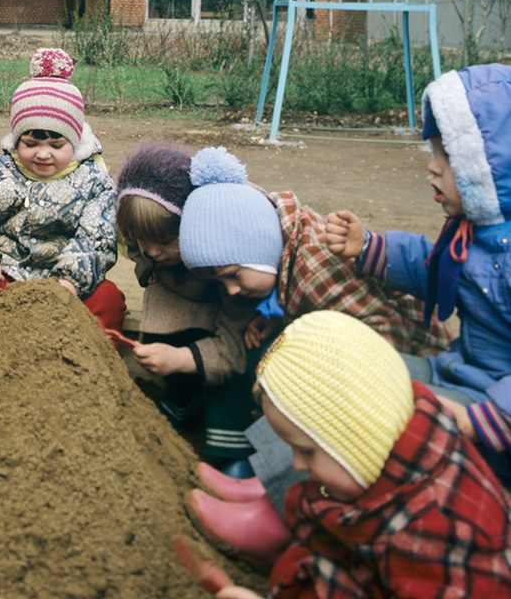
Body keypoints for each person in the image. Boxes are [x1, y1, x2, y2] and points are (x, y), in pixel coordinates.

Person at [177, 144, 451, 560]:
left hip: (407, 359)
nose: (232, 291)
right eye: (221, 283)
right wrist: (278, 320)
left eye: (232, 275)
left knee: (313, 396)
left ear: (258, 244)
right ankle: (265, 483)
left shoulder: (314, 267)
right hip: (375, 345)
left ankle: (277, 503)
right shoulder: (290, 249)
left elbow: (371, 338)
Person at [190, 311, 511, 599]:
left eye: (307, 451)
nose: (297, 464)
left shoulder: (433, 541)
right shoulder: (397, 468)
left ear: (360, 441)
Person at [325, 64, 511, 487]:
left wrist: (487, 418)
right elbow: (436, 267)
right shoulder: (475, 233)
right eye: (434, 153)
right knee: (346, 375)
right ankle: (265, 475)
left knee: (374, 416)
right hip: (458, 373)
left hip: (488, 415)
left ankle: (284, 505)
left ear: (491, 167)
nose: (432, 168)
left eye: (448, 156)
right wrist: (369, 246)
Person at [0, 48, 125, 333]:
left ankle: (88, 370)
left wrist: (69, 282)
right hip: (6, 270)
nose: (43, 154)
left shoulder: (95, 180)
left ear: (74, 140)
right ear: (16, 138)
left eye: (56, 146)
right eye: (31, 143)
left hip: (65, 279)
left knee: (108, 301)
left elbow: (97, 238)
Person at [115, 142, 258, 470]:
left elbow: (233, 346)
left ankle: (221, 449)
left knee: (223, 387)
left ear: (195, 224)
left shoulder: (231, 271)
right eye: (140, 238)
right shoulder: (148, 244)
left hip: (222, 315)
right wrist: (147, 269)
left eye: (164, 242)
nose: (150, 250)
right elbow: (136, 248)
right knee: (163, 351)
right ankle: (180, 405)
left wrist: (181, 360)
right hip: (173, 294)